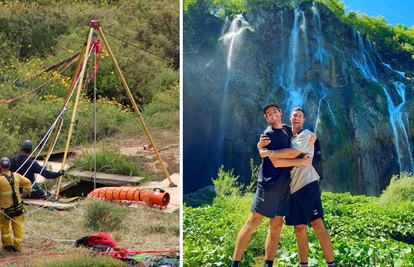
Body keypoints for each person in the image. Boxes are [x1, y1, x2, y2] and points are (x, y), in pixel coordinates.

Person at [231, 103, 312, 267]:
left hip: (284, 188)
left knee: (276, 226)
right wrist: (300, 162)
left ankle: (268, 264)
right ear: (267, 118)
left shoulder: (286, 129)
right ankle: (235, 263)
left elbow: (300, 129)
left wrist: (314, 135)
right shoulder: (268, 135)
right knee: (252, 224)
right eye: (269, 113)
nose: (273, 114)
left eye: (275, 111)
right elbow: (275, 162)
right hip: (268, 187)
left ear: (281, 113)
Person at [259, 107, 335, 267]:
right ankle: (303, 265)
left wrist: (270, 152)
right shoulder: (286, 134)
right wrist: (261, 146)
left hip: (307, 185)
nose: (297, 118)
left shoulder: (306, 134)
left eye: (300, 116)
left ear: (304, 120)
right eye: (294, 115)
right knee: (299, 228)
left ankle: (331, 264)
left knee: (317, 225)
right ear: (289, 117)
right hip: (291, 190)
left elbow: (293, 153)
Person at [0, 157, 32, 252]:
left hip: (5, 210)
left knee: (4, 227)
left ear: (0, 167)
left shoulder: (0, 180)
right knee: (18, 227)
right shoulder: (17, 176)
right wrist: (25, 193)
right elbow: (28, 183)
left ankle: (7, 245)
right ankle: (17, 247)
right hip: (18, 208)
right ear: (9, 167)